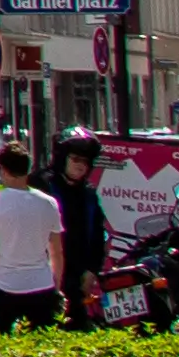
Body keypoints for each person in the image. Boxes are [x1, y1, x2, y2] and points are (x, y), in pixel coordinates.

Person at [0, 142, 67, 328]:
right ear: (28, 169)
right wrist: (56, 285)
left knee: (2, 347)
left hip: (5, 285)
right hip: (41, 284)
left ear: (4, 170)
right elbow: (56, 251)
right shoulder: (48, 203)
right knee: (42, 347)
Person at [54, 130, 114, 330]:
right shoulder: (43, 186)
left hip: (79, 278)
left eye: (86, 161)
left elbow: (98, 235)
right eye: (76, 159)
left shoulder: (88, 193)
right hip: (45, 275)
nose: (81, 165)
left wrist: (91, 271)